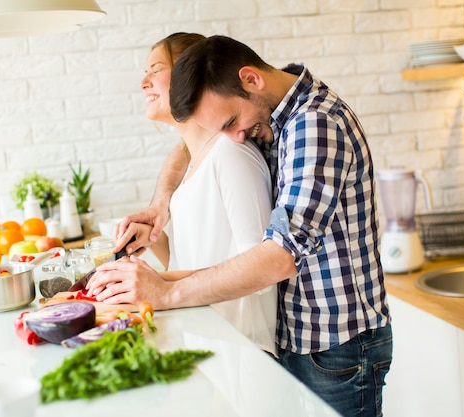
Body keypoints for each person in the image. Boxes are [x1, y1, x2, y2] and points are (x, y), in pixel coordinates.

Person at [88, 35, 392, 417]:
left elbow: (278, 258)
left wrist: (166, 292)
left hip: (336, 342)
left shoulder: (314, 124)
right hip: (303, 337)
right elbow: (191, 146)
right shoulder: (272, 113)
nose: (235, 137)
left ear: (251, 79)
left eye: (232, 122)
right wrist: (160, 204)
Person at [122, 32, 277, 355]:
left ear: (187, 74)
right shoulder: (193, 164)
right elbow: (194, 258)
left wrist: (160, 286)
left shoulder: (232, 155)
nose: (143, 81)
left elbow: (260, 268)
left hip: (243, 349)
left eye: (155, 68)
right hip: (209, 340)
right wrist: (153, 239)